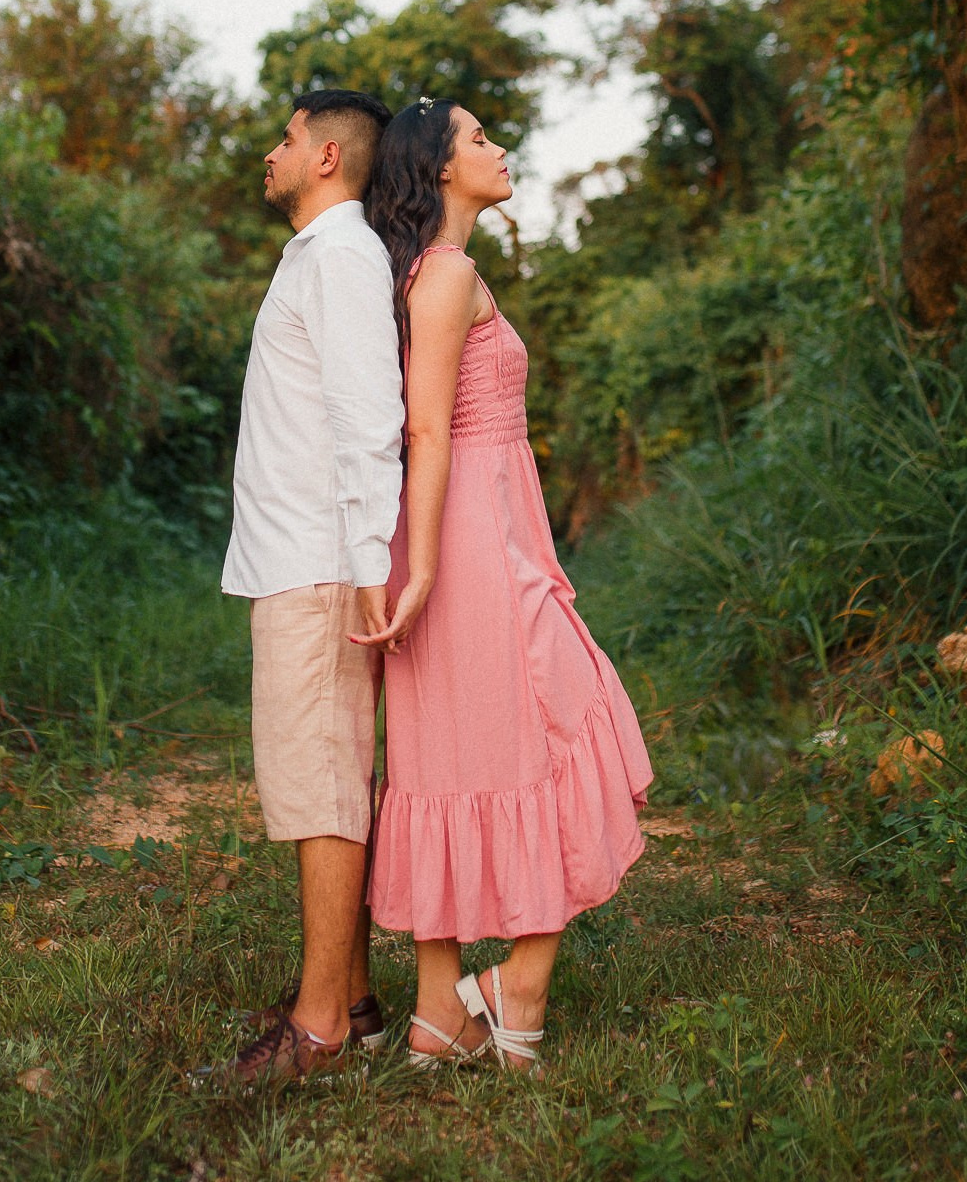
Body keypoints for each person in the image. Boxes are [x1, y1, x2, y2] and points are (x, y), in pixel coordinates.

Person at [357, 96, 653, 1073]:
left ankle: (442, 1016)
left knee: (456, 756)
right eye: (478, 138)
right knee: (566, 721)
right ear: (440, 168)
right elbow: (428, 431)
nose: (498, 148)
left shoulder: (436, 273)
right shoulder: (446, 276)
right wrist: (429, 568)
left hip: (479, 530)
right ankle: (510, 986)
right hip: (468, 543)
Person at [214, 89, 403, 1083]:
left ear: (327, 156)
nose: (271, 149)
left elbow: (369, 416)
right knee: (321, 776)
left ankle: (321, 1024)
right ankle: (354, 995)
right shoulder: (318, 255)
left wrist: (370, 561)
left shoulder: (340, 255)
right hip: (302, 556)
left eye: (286, 137)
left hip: (323, 563)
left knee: (320, 783)